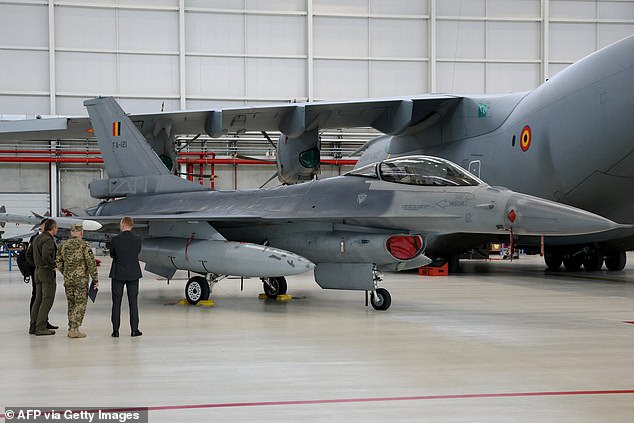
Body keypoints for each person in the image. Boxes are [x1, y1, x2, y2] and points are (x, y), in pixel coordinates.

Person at [56, 223, 99, 338]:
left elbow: (58, 261)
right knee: (80, 303)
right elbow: (91, 264)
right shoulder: (85, 246)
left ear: (71, 232)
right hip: (81, 280)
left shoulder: (63, 245)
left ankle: (71, 327)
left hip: (68, 279)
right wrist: (95, 279)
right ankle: (74, 329)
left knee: (71, 303)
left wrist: (65, 272)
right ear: (81, 233)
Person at [109, 216, 142, 337]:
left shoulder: (115, 239)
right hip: (133, 273)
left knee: (116, 303)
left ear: (123, 225)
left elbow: (112, 254)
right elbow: (137, 252)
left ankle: (116, 331)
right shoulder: (138, 239)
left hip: (118, 273)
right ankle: (134, 330)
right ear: (131, 225)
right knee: (133, 303)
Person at [26, 218, 58, 333]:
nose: (57, 230)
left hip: (37, 272)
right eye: (56, 228)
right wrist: (53, 265)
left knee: (38, 299)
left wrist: (36, 265)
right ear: (53, 228)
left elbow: (27, 254)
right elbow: (46, 255)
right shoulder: (48, 240)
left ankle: (33, 326)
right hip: (46, 273)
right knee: (47, 300)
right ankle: (41, 327)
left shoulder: (37, 238)